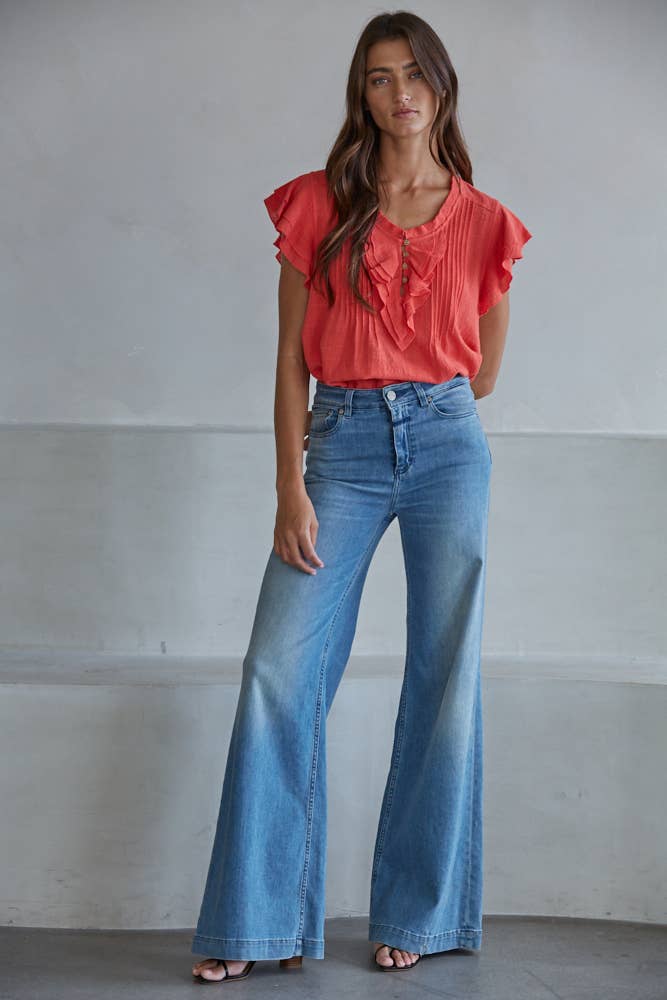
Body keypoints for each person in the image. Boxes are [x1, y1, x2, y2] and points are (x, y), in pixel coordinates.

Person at [191, 9, 532, 984]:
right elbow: (288, 366)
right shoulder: (317, 206)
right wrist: (289, 486)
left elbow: (483, 373)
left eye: (414, 73)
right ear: (363, 95)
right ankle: (255, 923)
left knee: (443, 675)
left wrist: (424, 412)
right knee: (275, 672)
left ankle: (417, 912)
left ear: (441, 84)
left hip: (445, 449)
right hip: (336, 447)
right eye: (379, 78)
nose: (399, 93)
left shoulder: (483, 220)